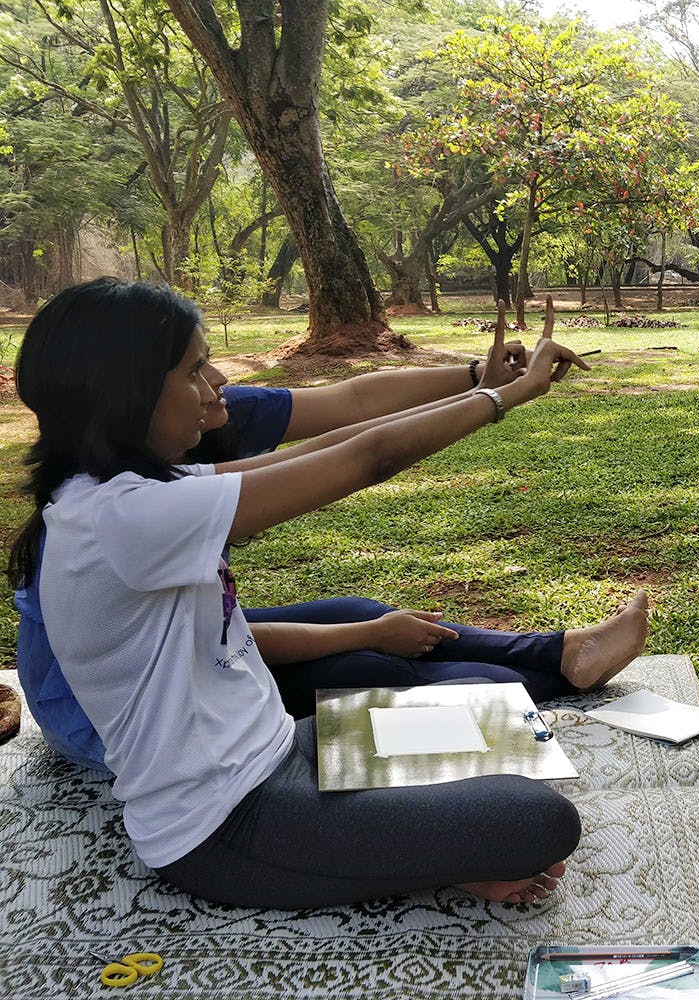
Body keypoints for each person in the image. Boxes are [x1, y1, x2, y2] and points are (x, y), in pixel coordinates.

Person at [6, 278, 647, 909]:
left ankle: (403, 847)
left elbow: (335, 439)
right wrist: (510, 396)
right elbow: (367, 458)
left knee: (490, 717)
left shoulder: (123, 491)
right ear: (129, 392)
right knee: (541, 822)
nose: (216, 384)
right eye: (195, 370)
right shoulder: (125, 519)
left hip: (280, 746)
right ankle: (411, 858)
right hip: (225, 825)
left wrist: (486, 384)